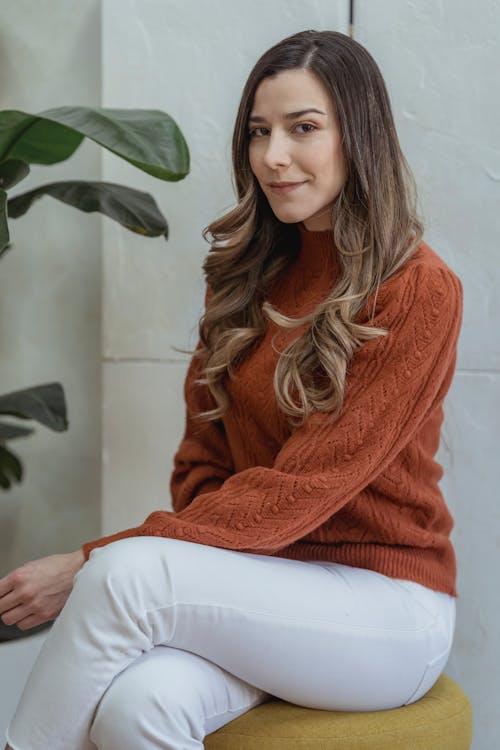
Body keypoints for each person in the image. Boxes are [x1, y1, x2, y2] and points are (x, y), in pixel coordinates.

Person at [1, 28, 463, 750]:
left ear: (358, 136)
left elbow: (306, 488)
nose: (273, 156)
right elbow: (203, 469)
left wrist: (89, 561)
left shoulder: (417, 290)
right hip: (261, 583)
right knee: (138, 708)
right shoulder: (247, 278)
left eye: (303, 128)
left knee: (124, 577)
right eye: (258, 132)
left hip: (388, 610)